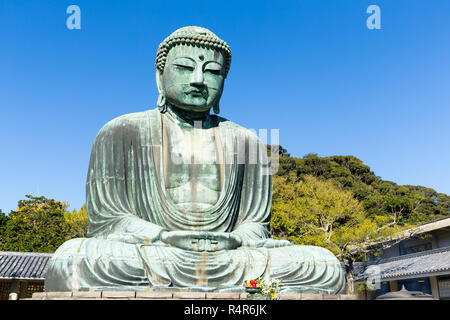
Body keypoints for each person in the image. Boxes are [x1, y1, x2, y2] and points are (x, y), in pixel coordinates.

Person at [45, 26, 346, 293]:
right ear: (159, 77)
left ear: (224, 82)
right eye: (185, 68)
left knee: (322, 264)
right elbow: (108, 221)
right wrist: (164, 236)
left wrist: (235, 240)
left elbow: (256, 224)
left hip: (232, 256)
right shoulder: (121, 132)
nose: (199, 79)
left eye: (213, 72)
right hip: (154, 252)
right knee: (74, 259)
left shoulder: (247, 141)